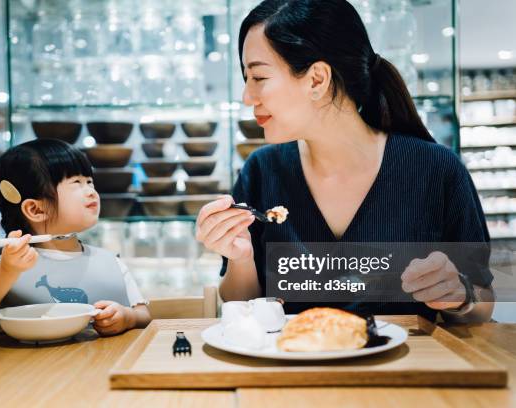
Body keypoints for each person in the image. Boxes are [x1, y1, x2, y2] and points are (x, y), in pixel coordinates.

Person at [196, 0, 494, 323]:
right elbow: (242, 308)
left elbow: (482, 300)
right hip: (289, 370)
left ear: (317, 80)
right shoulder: (262, 171)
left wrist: (459, 294)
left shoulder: (435, 171)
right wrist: (241, 259)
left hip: (404, 372)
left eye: (258, 77)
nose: (246, 97)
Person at [0, 139, 151, 335]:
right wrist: (6, 270)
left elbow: (144, 316)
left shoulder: (112, 263)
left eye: (89, 181)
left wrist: (127, 317)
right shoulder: (6, 267)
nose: (91, 191)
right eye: (76, 183)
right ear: (36, 209)